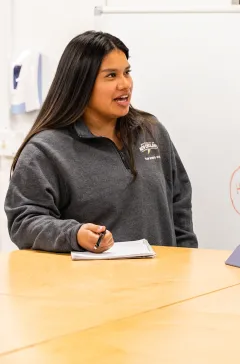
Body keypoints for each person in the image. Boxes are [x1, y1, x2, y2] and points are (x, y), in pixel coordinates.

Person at [6, 30, 198, 253]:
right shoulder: (45, 150)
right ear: (81, 84)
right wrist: (73, 234)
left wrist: (186, 258)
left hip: (164, 282)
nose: (125, 84)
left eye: (127, 72)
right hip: (93, 285)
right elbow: (24, 221)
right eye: (111, 76)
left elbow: (179, 203)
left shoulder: (151, 131)